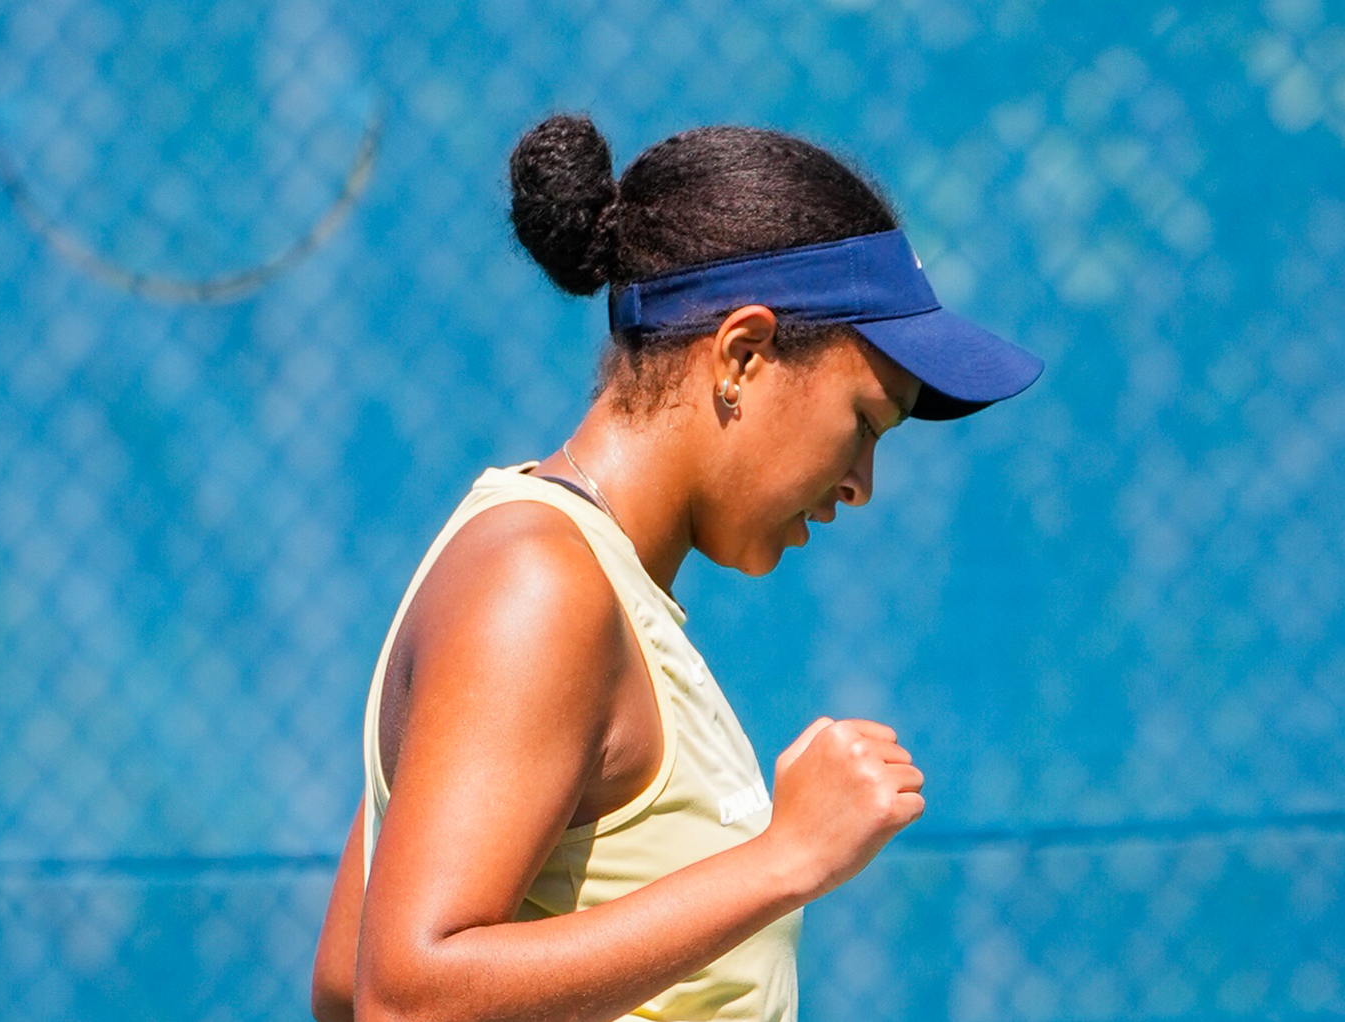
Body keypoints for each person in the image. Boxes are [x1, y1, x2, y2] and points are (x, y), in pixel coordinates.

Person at [310, 114, 1042, 1022]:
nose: (861, 485)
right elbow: (406, 999)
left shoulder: (572, 577)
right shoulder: (540, 586)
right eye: (864, 422)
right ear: (742, 355)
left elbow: (346, 971)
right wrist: (785, 859)